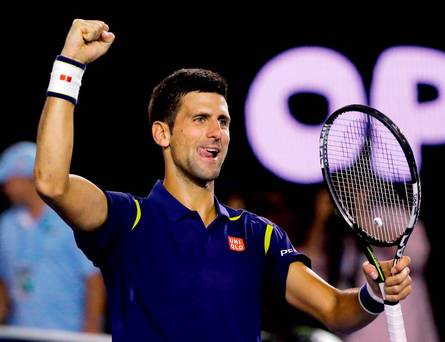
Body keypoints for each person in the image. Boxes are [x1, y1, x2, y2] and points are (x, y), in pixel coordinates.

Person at [33, 19, 412, 341]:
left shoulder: (259, 235)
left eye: (224, 121)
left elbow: (333, 308)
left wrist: (373, 295)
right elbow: (52, 183)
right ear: (162, 134)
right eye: (200, 119)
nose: (217, 132)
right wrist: (70, 67)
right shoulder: (126, 219)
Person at [0, 142, 106, 332]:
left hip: (67, 333)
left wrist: (90, 334)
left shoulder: (69, 218)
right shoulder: (6, 225)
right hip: (20, 332)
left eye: (10, 179)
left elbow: (94, 281)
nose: (5, 186)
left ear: (28, 177)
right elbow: (4, 283)